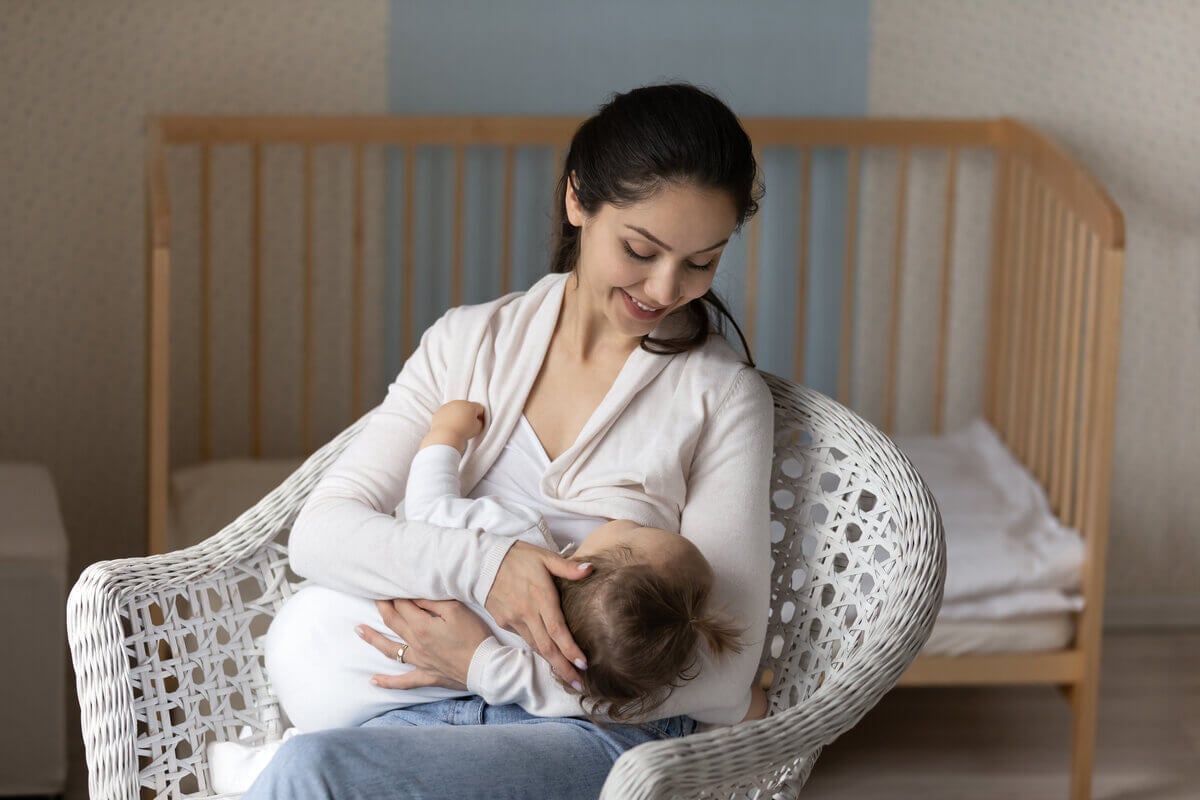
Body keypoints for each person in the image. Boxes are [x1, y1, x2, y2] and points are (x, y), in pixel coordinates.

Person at [244, 82, 774, 800]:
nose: (665, 287)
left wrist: (493, 668)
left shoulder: (721, 397)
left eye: (702, 262)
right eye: (640, 249)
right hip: (419, 712)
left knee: (311, 773)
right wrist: (488, 566)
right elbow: (322, 534)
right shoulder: (466, 343)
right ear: (578, 200)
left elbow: (724, 671)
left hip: (596, 734)